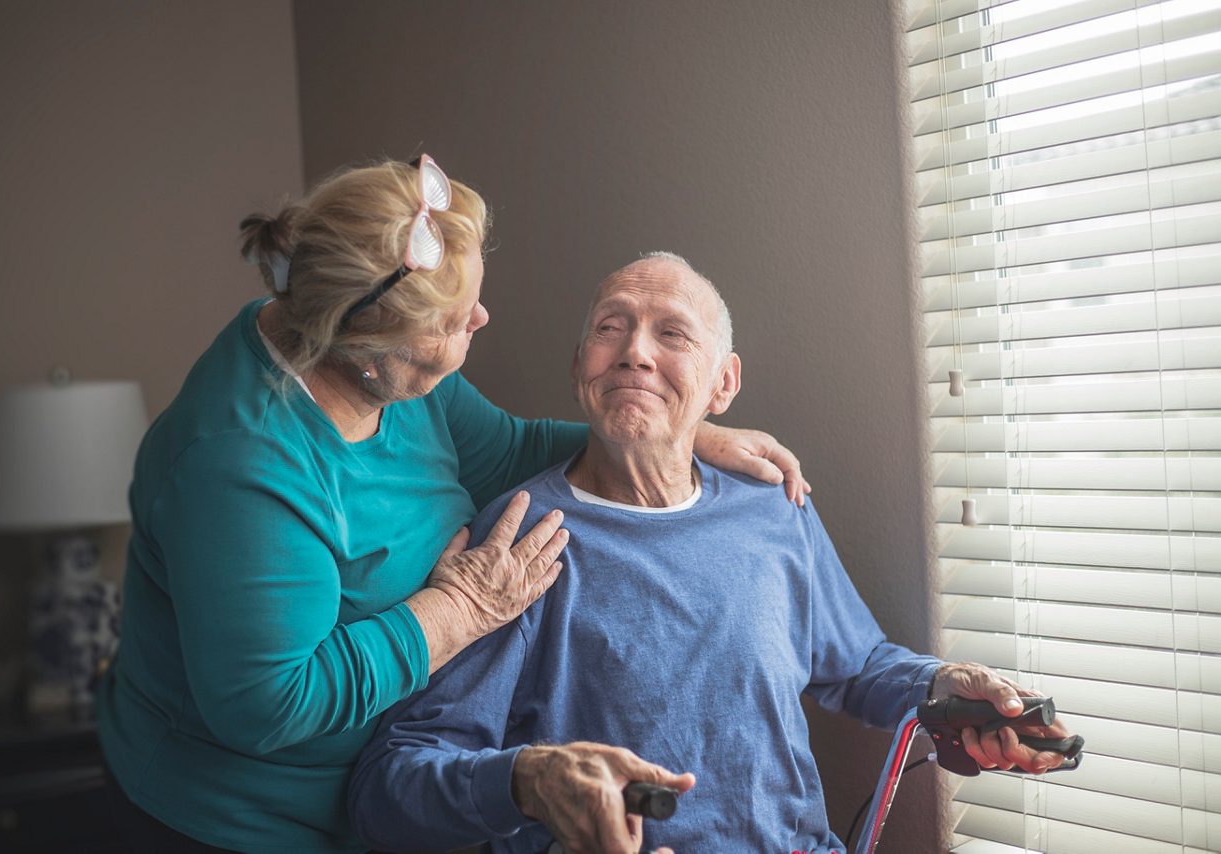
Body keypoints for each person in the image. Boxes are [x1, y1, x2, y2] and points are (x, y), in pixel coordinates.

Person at [95, 158, 810, 854]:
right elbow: (272, 701)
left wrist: (680, 431)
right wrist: (457, 613)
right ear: (365, 346)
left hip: (373, 801)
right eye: (452, 317)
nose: (480, 316)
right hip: (235, 822)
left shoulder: (374, 361)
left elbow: (507, 448)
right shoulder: (238, 463)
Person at [350, 253, 1072, 854]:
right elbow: (391, 787)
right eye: (612, 328)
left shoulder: (773, 511)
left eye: (671, 333)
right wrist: (529, 779)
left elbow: (855, 664)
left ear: (723, 384)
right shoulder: (519, 544)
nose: (635, 350)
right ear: (580, 367)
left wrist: (948, 687)